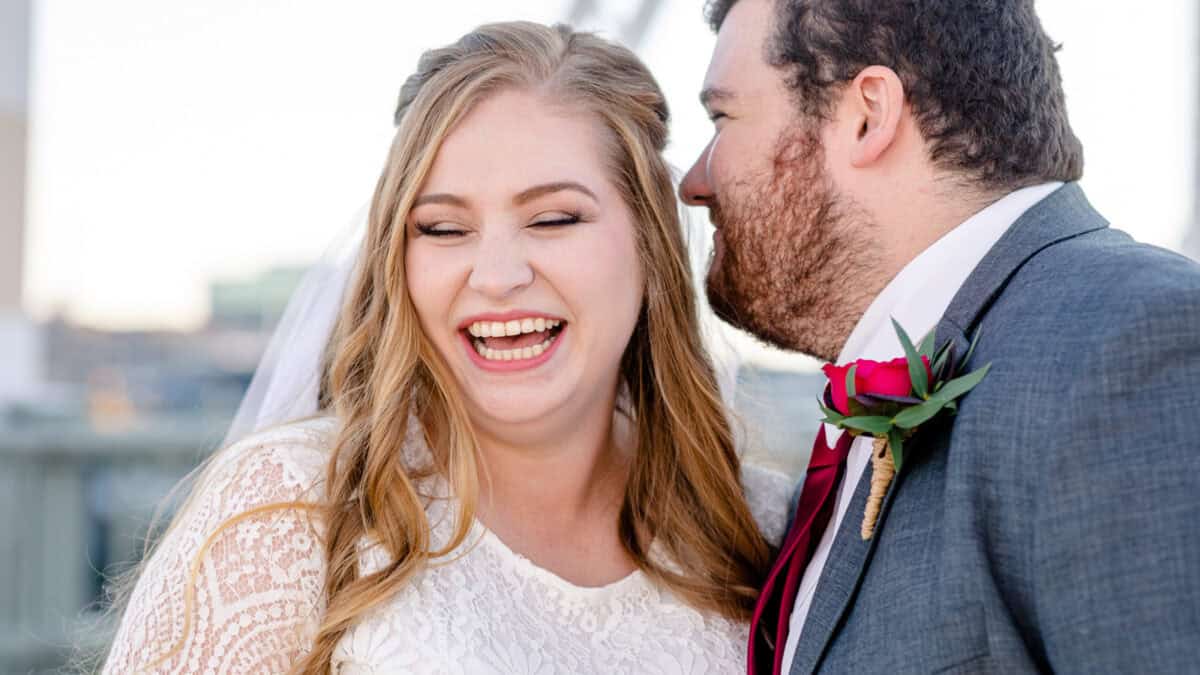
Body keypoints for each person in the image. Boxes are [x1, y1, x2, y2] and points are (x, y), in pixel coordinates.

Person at [103, 21, 794, 674]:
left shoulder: (758, 525)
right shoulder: (293, 510)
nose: (496, 277)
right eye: (442, 228)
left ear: (651, 240)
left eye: (553, 218)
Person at [680, 0, 1200, 673]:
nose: (695, 181)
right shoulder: (867, 413)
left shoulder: (1130, 347)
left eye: (723, 118)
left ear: (868, 113)